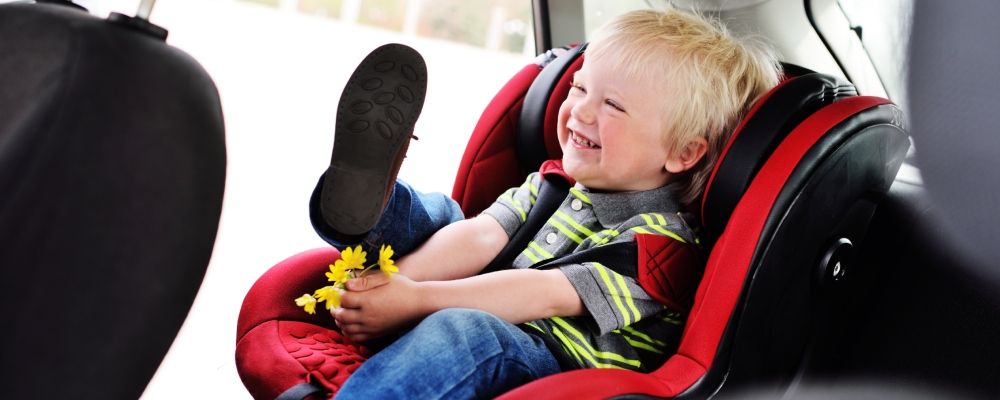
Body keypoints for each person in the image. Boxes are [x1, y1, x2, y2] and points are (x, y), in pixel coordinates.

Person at [309, 7, 780, 399]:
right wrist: (393, 285)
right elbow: (482, 235)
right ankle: (374, 205)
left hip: (550, 362)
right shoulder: (554, 184)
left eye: (613, 105)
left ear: (682, 153)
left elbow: (540, 293)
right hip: (483, 295)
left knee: (466, 333)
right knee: (442, 218)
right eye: (579, 88)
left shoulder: (659, 246)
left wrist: (416, 302)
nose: (580, 110)